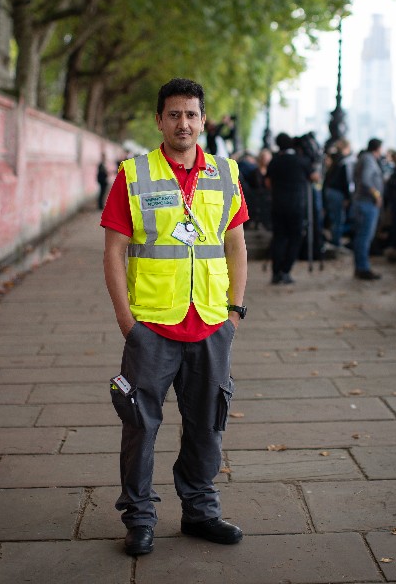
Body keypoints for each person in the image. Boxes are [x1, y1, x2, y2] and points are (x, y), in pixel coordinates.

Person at [101, 78, 248, 556]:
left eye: (191, 114)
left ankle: (201, 511)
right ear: (159, 120)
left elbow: (235, 245)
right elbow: (114, 252)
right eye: (173, 115)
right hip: (152, 327)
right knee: (140, 425)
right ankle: (139, 518)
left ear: (203, 120)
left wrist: (234, 313)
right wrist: (128, 323)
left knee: (207, 423)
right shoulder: (134, 174)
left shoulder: (226, 173)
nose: (183, 123)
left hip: (210, 324)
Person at [265, 132, 313, 284]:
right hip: (297, 205)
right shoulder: (301, 161)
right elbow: (315, 177)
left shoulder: (275, 160)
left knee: (279, 237)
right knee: (295, 237)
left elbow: (267, 182)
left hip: (278, 204)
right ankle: (285, 270)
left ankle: (275, 272)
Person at [352, 138, 384, 280]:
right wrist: (376, 194)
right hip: (367, 203)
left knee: (361, 236)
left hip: (362, 202)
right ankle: (363, 268)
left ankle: (360, 266)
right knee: (364, 236)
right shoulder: (369, 160)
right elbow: (366, 180)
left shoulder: (364, 158)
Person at [323, 138, 354, 247]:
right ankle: (336, 241)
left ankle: (334, 239)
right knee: (339, 218)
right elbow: (346, 181)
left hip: (330, 190)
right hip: (338, 192)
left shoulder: (334, 158)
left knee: (334, 218)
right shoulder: (345, 161)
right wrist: (348, 197)